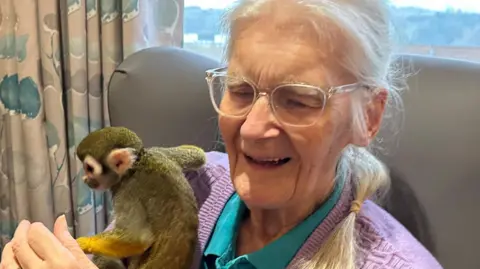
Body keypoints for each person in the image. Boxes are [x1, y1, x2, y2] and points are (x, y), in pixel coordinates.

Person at [1, 0, 443, 268]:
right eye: (240, 90)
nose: (251, 128)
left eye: (298, 99)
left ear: (367, 116)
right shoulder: (189, 185)